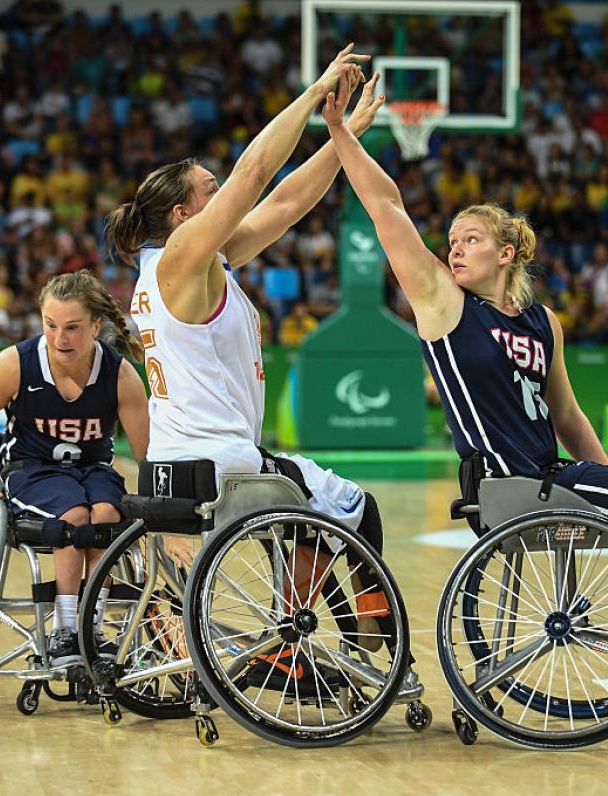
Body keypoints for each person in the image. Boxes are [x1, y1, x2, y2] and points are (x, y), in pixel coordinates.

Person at [322, 83, 608, 673]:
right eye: (452, 241)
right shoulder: (444, 305)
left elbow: (566, 414)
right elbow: (388, 210)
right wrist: (341, 135)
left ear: (507, 253)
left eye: (471, 240)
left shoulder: (545, 323)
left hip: (554, 476)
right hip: (506, 485)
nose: (455, 250)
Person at [103, 47, 392, 679]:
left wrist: (345, 135)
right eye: (211, 190)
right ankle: (322, 639)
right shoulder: (182, 257)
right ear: (183, 215)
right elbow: (258, 169)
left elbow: (285, 203)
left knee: (313, 523)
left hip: (179, 462)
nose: (222, 192)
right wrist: (315, 93)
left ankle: (316, 631)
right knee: (357, 508)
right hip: (219, 463)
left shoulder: (191, 265)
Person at [0, 270, 150, 664]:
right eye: (51, 325)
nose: (60, 338)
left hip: (93, 468)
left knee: (107, 513)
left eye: (73, 328)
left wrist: (163, 515)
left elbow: (148, 454)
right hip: (32, 469)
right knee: (75, 516)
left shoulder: (121, 375)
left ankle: (90, 628)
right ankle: (65, 629)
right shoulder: (17, 364)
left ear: (97, 326)